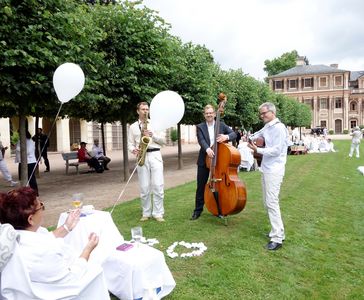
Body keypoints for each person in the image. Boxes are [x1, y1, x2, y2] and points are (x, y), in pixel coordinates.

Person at [0, 187, 99, 284]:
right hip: (60, 292)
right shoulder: (44, 252)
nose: (43, 210)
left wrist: (66, 227)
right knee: (97, 270)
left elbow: (44, 239)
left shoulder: (8, 238)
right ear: (30, 219)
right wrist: (87, 250)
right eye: (41, 206)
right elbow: (72, 277)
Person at [248, 102, 288, 251]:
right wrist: (249, 137)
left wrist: (257, 149)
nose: (262, 116)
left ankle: (277, 238)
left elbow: (277, 150)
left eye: (264, 113)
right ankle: (277, 231)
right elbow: (257, 134)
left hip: (275, 169)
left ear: (272, 112)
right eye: (261, 113)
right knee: (267, 202)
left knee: (271, 202)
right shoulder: (268, 126)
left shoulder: (279, 128)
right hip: (266, 168)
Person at [190, 104, 236, 220]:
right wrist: (207, 149)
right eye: (207, 113)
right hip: (204, 159)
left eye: (211, 113)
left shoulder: (221, 125)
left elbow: (234, 134)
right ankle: (197, 210)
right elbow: (201, 140)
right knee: (201, 186)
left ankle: (219, 208)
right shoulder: (200, 126)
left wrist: (226, 137)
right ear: (204, 115)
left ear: (215, 114)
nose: (209, 115)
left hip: (220, 159)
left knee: (220, 186)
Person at [128, 102, 166, 222]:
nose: (145, 111)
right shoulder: (133, 127)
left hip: (155, 155)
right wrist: (133, 149)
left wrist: (153, 135)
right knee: (144, 187)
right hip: (141, 155)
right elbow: (130, 143)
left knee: (158, 186)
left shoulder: (155, 124)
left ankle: (158, 213)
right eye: (143, 109)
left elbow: (163, 141)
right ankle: (146, 213)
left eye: (147, 109)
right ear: (138, 111)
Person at [15, 131, 38, 195]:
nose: (19, 134)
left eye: (20, 133)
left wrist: (18, 148)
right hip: (21, 162)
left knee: (31, 179)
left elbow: (27, 152)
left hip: (30, 162)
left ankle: (35, 193)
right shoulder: (20, 140)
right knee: (22, 178)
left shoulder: (30, 141)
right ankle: (24, 193)